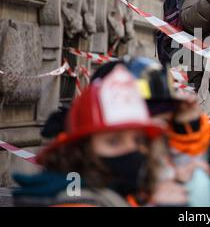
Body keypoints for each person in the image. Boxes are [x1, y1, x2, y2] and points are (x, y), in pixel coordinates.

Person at [13, 66, 169, 207]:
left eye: (138, 140)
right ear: (80, 150)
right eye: (113, 141)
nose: (132, 149)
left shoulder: (118, 192)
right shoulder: (78, 201)